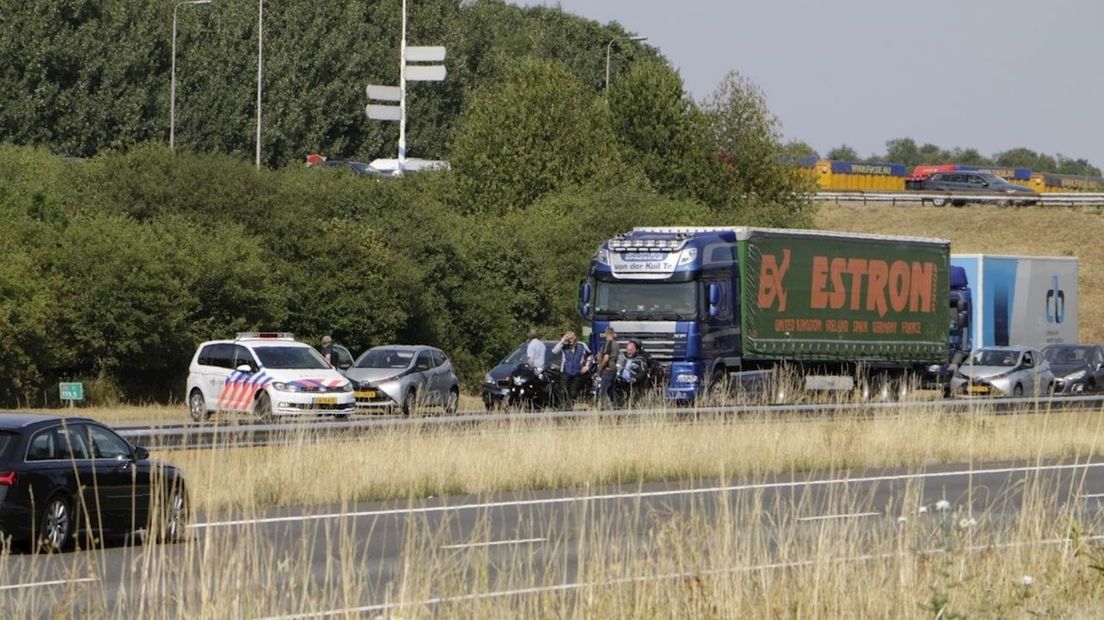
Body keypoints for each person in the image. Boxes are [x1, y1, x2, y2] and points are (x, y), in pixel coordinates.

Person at [552, 330, 591, 402]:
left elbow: (590, 355)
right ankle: (563, 407)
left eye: (571, 338)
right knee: (563, 391)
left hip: (577, 372)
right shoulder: (564, 346)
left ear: (575, 337)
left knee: (573, 392)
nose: (570, 340)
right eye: (568, 339)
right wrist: (562, 340)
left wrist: (587, 366)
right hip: (565, 372)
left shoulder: (582, 345)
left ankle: (570, 407)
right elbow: (554, 351)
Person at [595, 327, 620, 404]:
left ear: (606, 333)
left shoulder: (609, 343)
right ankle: (615, 408)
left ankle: (604, 410)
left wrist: (600, 368)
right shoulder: (616, 344)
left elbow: (606, 358)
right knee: (611, 391)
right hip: (613, 370)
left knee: (604, 392)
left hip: (607, 370)